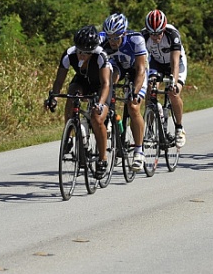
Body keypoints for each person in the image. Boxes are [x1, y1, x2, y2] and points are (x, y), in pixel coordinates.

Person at [45, 25, 112, 179]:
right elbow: (59, 80)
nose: (81, 55)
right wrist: (54, 97)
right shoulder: (69, 54)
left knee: (96, 118)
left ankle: (102, 159)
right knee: (72, 93)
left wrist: (100, 104)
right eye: (79, 51)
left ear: (92, 50)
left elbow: (106, 84)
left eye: (85, 53)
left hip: (101, 85)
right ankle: (69, 134)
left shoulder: (101, 56)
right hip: (82, 81)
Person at [100, 12, 148, 172]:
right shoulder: (102, 40)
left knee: (133, 107)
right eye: (109, 37)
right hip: (118, 68)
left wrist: (134, 92)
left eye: (116, 38)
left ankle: (139, 150)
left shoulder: (136, 39)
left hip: (136, 71)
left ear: (124, 33)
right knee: (107, 88)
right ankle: (114, 125)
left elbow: (141, 69)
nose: (112, 41)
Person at [142, 9, 187, 148]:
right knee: (149, 89)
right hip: (157, 63)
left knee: (173, 93)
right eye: (152, 34)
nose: (155, 37)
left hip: (176, 63)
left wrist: (173, 81)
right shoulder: (142, 36)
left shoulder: (172, 34)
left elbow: (174, 62)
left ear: (164, 28)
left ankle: (179, 128)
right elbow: (142, 61)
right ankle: (149, 130)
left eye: (158, 33)